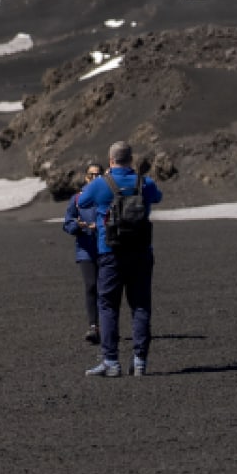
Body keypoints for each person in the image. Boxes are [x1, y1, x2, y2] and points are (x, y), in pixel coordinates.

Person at [74, 142, 162, 378]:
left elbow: (81, 202)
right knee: (140, 305)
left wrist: (103, 181)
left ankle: (111, 361)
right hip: (141, 252)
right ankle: (140, 361)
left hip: (110, 252)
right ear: (131, 159)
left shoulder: (101, 184)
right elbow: (158, 197)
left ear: (110, 160)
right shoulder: (145, 183)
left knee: (108, 306)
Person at [62, 163, 105, 345]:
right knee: (91, 286)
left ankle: (107, 326)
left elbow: (116, 219)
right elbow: (67, 223)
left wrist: (100, 226)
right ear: (86, 177)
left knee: (106, 289)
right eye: (91, 175)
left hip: (105, 249)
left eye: (98, 175)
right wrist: (77, 226)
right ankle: (93, 326)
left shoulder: (107, 197)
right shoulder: (78, 199)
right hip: (85, 250)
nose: (94, 178)